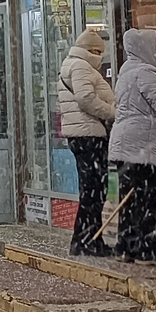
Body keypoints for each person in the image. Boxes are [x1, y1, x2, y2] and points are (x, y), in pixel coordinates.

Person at [109, 28, 156, 264]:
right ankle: (146, 249)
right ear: (145, 48)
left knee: (129, 199)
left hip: (125, 145)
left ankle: (126, 246)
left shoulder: (126, 72)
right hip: (141, 146)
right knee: (146, 198)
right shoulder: (145, 72)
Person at [58, 27, 117, 256]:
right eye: (98, 51)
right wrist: (112, 112)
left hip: (82, 136)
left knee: (92, 190)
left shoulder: (72, 65)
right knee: (94, 191)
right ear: (91, 50)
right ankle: (88, 240)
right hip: (89, 135)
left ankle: (87, 239)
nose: (100, 56)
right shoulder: (81, 66)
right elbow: (86, 99)